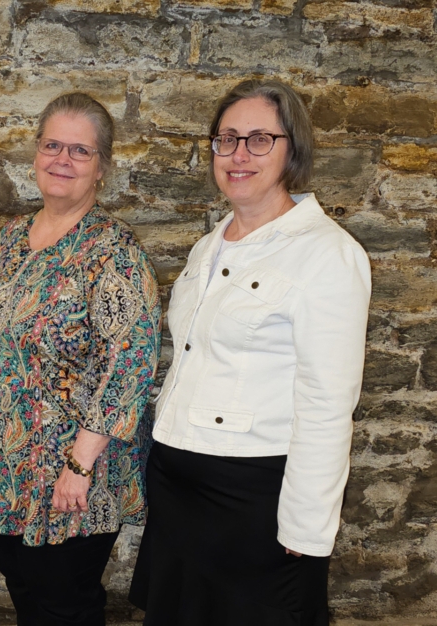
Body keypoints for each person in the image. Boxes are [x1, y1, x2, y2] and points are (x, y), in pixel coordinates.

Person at [127, 79, 371, 625]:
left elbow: (328, 402)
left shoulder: (328, 255)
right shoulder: (209, 245)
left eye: (260, 139)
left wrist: (306, 529)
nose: (239, 154)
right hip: (178, 480)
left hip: (252, 495)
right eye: (227, 138)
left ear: (293, 150)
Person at [0, 92, 161, 626]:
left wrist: (80, 466)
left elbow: (128, 365)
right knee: (28, 597)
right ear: (36, 153)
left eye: (79, 151)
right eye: (52, 145)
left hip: (71, 474)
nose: (62, 159)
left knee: (66, 606)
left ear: (102, 167)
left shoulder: (116, 252)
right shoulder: (11, 238)